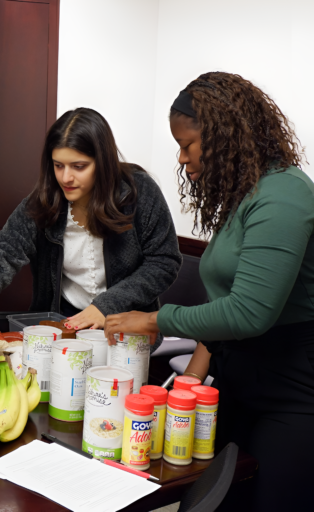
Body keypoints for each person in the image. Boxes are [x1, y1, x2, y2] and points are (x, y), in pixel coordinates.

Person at [104, 72, 313, 510]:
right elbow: (223, 309)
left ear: (222, 138)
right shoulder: (247, 194)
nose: (181, 158)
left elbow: (247, 313)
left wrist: (155, 318)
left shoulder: (284, 197)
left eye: (187, 145)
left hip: (291, 395)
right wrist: (191, 379)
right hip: (237, 381)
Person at [0, 108, 182, 355]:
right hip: (62, 326)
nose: (66, 178)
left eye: (79, 166)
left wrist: (106, 306)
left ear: (104, 162)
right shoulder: (42, 202)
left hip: (126, 329)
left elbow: (163, 262)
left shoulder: (139, 192)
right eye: (58, 165)